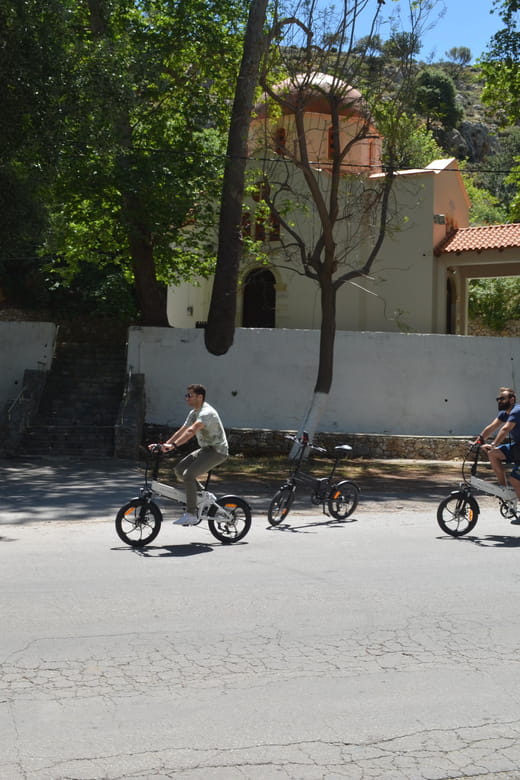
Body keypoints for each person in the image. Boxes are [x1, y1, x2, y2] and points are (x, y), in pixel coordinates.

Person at [148, 384, 228, 525]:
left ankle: (191, 513)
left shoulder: (206, 413)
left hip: (217, 451)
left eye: (189, 395)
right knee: (179, 470)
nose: (186, 398)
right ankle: (204, 495)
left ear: (200, 397)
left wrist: (173, 445)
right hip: (206, 449)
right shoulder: (194, 412)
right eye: (186, 395)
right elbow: (182, 430)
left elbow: (191, 431)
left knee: (189, 475)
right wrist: (164, 445)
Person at [476, 387, 520, 504]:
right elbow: (491, 427)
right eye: (498, 399)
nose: (499, 401)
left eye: (502, 399)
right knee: (493, 454)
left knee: (515, 480)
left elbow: (505, 429)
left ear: (512, 400)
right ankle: (504, 490)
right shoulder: (504, 413)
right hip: (517, 448)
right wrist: (479, 441)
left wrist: (494, 444)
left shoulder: (517, 410)